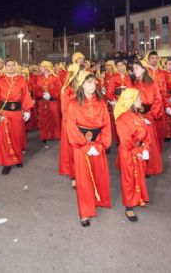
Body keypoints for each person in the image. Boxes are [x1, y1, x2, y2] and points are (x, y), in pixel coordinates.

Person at [66, 70, 112, 227]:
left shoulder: (101, 102)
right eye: (89, 82)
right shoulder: (73, 103)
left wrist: (101, 143)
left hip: (98, 142)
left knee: (99, 174)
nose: (93, 85)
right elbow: (71, 126)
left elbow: (106, 123)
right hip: (81, 146)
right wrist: (84, 145)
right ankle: (85, 211)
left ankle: (99, 200)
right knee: (83, 179)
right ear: (81, 84)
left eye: (94, 82)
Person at [0, 59, 34, 175]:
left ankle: (18, 159)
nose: (11, 67)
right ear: (5, 67)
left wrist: (27, 110)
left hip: (17, 113)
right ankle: (7, 163)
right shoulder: (0, 81)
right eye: (8, 65)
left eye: (13, 65)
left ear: (15, 67)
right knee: (5, 138)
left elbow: (26, 95)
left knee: (17, 137)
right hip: (4, 114)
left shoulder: (22, 80)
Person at [114, 88, 151, 222]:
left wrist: (146, 146)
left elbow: (146, 134)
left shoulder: (138, 116)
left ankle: (138, 198)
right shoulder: (122, 119)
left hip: (139, 151)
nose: (141, 101)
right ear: (131, 101)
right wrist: (139, 151)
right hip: (128, 153)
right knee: (129, 179)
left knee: (139, 176)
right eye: (139, 99)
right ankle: (129, 207)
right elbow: (126, 142)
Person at [131, 60, 163, 176]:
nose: (134, 71)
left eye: (136, 68)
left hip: (148, 116)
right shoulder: (133, 84)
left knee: (149, 141)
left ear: (143, 69)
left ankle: (150, 167)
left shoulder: (152, 84)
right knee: (138, 141)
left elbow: (158, 100)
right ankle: (139, 165)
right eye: (133, 69)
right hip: (136, 116)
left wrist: (152, 115)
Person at [144, 51, 171, 147]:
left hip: (159, 107)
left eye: (156, 58)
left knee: (159, 133)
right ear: (148, 59)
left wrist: (167, 105)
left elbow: (164, 91)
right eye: (152, 58)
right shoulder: (145, 72)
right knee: (148, 133)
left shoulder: (161, 73)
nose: (154, 60)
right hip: (147, 107)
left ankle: (158, 153)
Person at [60, 63, 81, 186]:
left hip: (83, 123)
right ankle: (74, 175)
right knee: (73, 150)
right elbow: (65, 110)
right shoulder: (66, 90)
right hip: (71, 123)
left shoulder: (84, 87)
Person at [33, 61, 62, 143]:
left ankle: (55, 135)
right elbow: (35, 90)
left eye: (41, 67)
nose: (39, 68)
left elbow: (58, 90)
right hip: (43, 102)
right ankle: (44, 136)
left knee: (54, 118)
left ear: (46, 67)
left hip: (53, 102)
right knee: (43, 119)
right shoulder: (38, 77)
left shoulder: (55, 78)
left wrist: (51, 95)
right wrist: (41, 94)